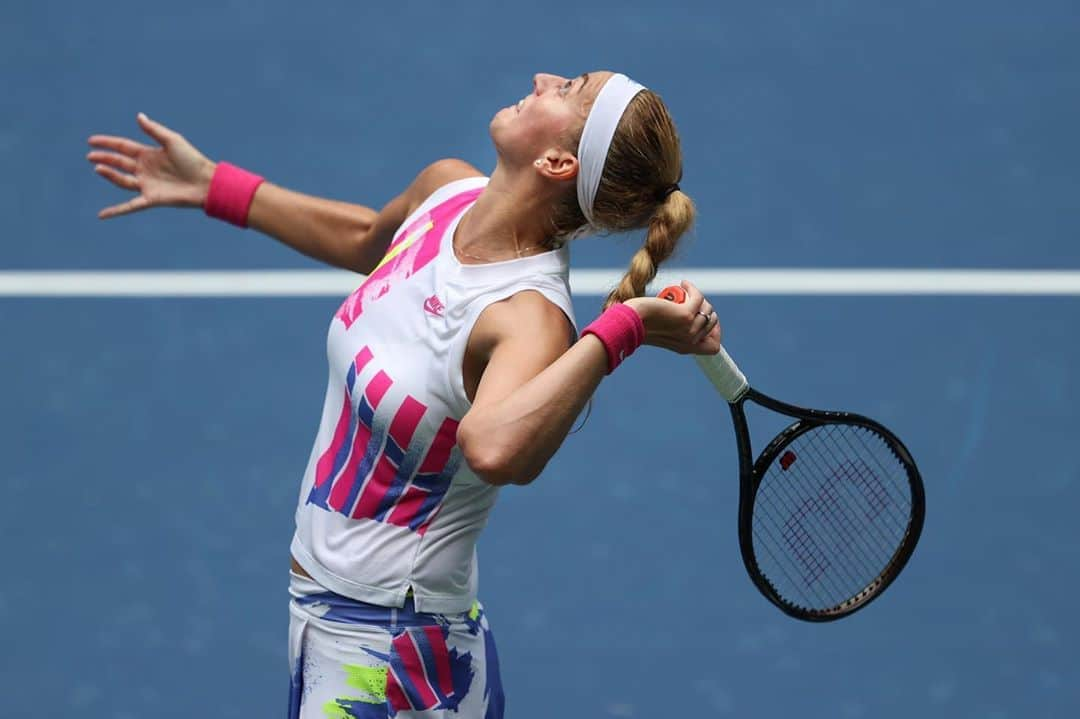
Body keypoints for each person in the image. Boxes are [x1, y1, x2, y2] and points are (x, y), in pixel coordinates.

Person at [88, 70, 721, 719]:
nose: (542, 78)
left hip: (391, 660)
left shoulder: (526, 318)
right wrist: (216, 187)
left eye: (568, 88)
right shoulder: (446, 190)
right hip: (341, 629)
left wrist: (625, 327)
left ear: (558, 160)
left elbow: (497, 448)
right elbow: (368, 238)